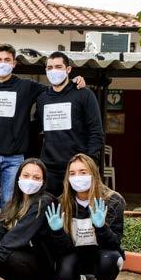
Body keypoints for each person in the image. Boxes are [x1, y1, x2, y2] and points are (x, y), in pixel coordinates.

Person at [0, 43, 85, 250]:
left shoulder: (26, 86)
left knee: (11, 206)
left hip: (14, 159)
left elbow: (56, 89)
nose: (2, 64)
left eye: (7, 60)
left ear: (14, 63)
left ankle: (6, 247)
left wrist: (75, 81)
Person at [46, 153, 125, 280]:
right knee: (63, 271)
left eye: (83, 172)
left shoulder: (113, 200)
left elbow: (114, 243)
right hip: (76, 253)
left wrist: (101, 227)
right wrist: (58, 232)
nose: (77, 177)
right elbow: (62, 248)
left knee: (112, 259)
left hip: (102, 253)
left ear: (93, 174)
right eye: (72, 173)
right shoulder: (62, 203)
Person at [36, 51, 104, 196]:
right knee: (49, 208)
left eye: (58, 67)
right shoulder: (42, 99)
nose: (54, 71)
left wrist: (88, 162)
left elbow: (96, 131)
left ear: (68, 69)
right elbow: (36, 128)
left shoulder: (84, 94)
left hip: (76, 168)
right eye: (50, 68)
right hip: (49, 169)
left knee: (77, 208)